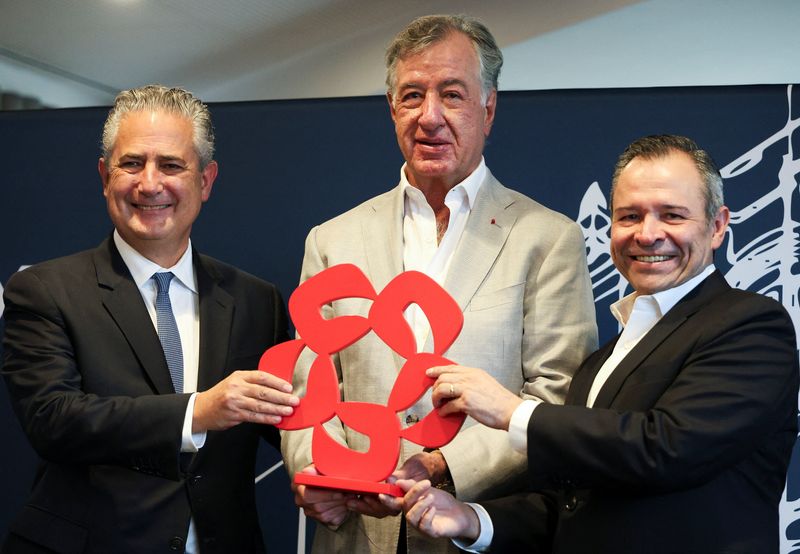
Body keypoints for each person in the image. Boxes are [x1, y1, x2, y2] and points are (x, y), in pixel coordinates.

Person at [281, 14, 598, 553]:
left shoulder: (547, 239)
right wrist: (322, 475)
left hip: (483, 528)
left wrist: (442, 466)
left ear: (488, 109)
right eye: (412, 96)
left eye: (452, 95)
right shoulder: (331, 239)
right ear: (391, 109)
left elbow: (555, 398)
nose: (429, 117)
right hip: (354, 535)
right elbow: (307, 388)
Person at [394, 134, 799, 553]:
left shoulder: (751, 325)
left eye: (673, 216)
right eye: (629, 216)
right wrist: (470, 518)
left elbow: (666, 448)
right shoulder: (600, 361)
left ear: (717, 227)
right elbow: (572, 503)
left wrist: (513, 411)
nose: (647, 234)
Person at [1, 85, 299, 553]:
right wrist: (197, 410)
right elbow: (52, 420)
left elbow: (288, 418)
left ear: (206, 181)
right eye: (132, 163)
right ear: (104, 175)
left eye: (172, 165)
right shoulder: (44, 289)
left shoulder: (256, 300)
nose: (150, 183)